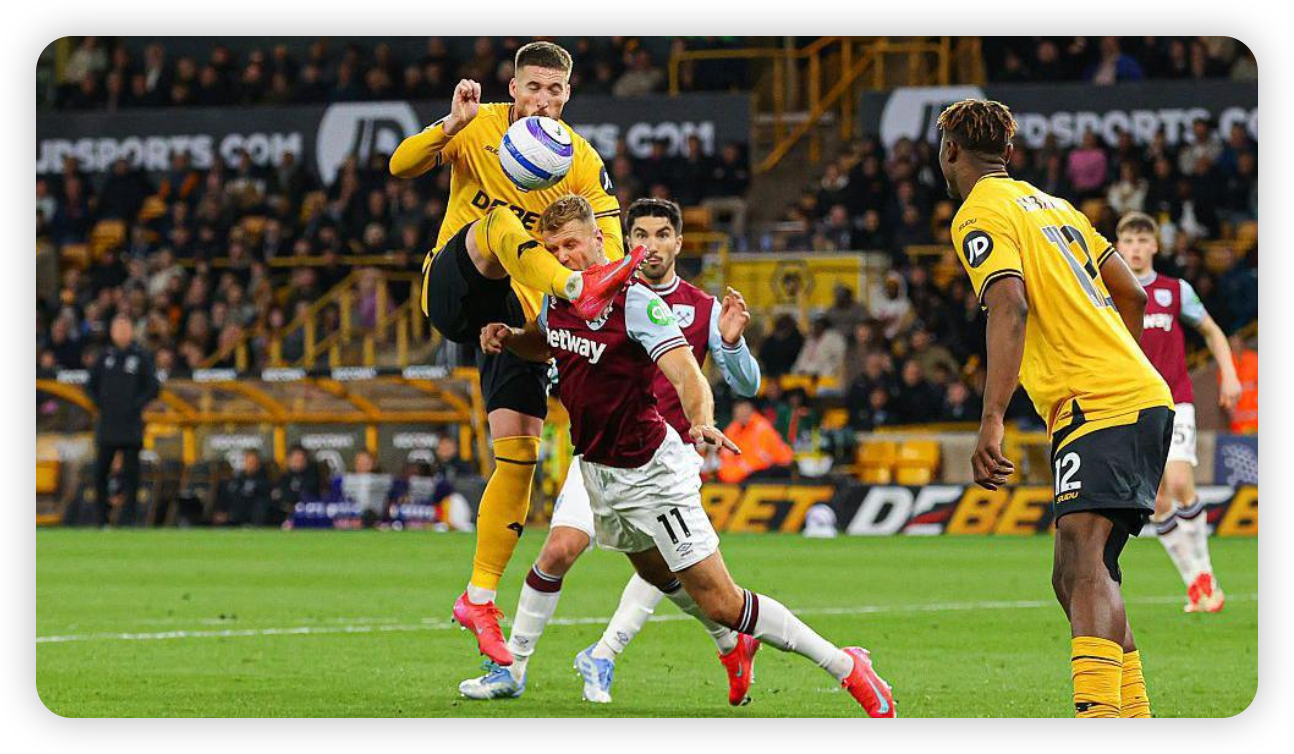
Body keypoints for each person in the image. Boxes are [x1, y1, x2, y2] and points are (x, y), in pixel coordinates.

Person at [481, 195, 894, 716]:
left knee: (723, 602)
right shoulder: (557, 297)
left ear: (598, 242)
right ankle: (728, 645)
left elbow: (688, 375)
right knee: (656, 575)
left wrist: (702, 420)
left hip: (651, 472)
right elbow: (546, 342)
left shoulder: (636, 302)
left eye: (572, 245)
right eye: (553, 248)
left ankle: (848, 666)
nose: (562, 257)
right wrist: (509, 339)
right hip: (597, 471)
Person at [389, 41, 646, 664]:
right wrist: (449, 126)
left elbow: (606, 240)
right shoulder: (477, 125)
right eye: (534, 88)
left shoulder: (581, 160)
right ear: (514, 87)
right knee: (501, 223)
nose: (545, 100)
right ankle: (567, 292)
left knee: (520, 454)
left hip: (516, 316)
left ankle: (478, 598)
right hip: (455, 285)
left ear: (568, 94)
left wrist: (605, 273)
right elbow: (401, 165)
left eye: (556, 91)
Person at [460, 198, 763, 705]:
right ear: (622, 241)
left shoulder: (704, 306)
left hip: (666, 456)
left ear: (678, 243)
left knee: (666, 569)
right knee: (559, 550)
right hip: (601, 450)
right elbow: (549, 338)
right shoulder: (590, 295)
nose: (650, 245)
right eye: (639, 234)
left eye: (662, 234)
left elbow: (745, 385)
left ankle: (608, 653)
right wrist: (512, 338)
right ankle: (511, 668)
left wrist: (730, 345)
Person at [939, 99, 1173, 718]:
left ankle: (1098, 710)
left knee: (1084, 558)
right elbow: (1132, 291)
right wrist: (1111, 353)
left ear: (950, 151)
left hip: (1103, 402)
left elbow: (1009, 306)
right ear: (1008, 155)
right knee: (1073, 573)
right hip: (1129, 394)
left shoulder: (978, 213)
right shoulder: (1056, 206)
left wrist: (992, 418)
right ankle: (1130, 709)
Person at [1115, 211, 1241, 613]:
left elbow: (1212, 331)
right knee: (1156, 502)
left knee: (1182, 482)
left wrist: (1230, 375)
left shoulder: (1174, 290)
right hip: (1131, 406)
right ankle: (1194, 583)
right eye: (1128, 241)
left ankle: (1204, 572)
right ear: (1118, 246)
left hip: (1174, 400)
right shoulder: (1108, 292)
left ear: (1155, 245)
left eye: (1141, 241)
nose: (1135, 249)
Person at [85, 314, 159, 527]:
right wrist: (101, 405)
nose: (121, 332)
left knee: (131, 474)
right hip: (108, 424)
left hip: (130, 425)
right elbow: (89, 386)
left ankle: (128, 519)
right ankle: (101, 518)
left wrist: (136, 405)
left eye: (125, 328)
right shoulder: (104, 357)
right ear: (112, 332)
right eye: (117, 328)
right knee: (100, 472)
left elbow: (153, 387)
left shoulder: (141, 357)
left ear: (131, 331)